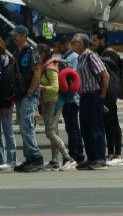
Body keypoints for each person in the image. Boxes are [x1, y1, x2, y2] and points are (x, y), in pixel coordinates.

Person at [10, 25, 44, 172]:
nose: (14, 38)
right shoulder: (17, 52)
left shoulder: (32, 51)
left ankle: (36, 157)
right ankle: (29, 157)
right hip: (20, 94)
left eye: (16, 35)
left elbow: (37, 72)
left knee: (27, 126)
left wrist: (30, 91)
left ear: (24, 35)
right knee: (23, 127)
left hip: (29, 95)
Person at [73, 33, 109, 169]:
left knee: (96, 129)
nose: (71, 44)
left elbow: (105, 75)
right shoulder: (80, 59)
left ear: (81, 44)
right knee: (86, 129)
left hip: (93, 96)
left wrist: (101, 97)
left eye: (73, 42)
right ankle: (92, 157)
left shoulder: (90, 56)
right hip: (84, 97)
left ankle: (100, 158)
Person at [91, 28, 123, 166]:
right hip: (105, 93)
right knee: (107, 125)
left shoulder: (109, 53)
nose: (93, 43)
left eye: (95, 40)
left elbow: (107, 71)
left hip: (110, 92)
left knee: (113, 123)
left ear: (103, 40)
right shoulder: (101, 53)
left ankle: (117, 154)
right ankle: (110, 153)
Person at [37, 43, 70, 171]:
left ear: (42, 54)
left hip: (53, 102)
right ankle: (54, 160)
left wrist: (41, 87)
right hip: (46, 102)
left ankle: (67, 157)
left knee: (49, 132)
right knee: (54, 131)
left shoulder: (50, 68)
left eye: (37, 53)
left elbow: (55, 88)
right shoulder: (44, 66)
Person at [54, 33, 85, 167]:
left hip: (72, 98)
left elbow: (73, 76)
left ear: (66, 45)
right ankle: (78, 154)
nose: (57, 49)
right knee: (71, 127)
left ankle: (74, 154)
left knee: (72, 127)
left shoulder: (73, 58)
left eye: (59, 46)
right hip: (67, 98)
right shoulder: (65, 57)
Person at [0, 30, 17, 169]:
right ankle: (0, 159)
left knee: (7, 130)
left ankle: (12, 159)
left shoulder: (7, 60)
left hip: (6, 99)